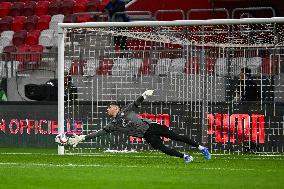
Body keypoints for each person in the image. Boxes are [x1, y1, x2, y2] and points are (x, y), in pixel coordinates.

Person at [59, 90, 211, 163]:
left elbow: (137, 102)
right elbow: (99, 133)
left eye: (109, 108)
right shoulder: (113, 124)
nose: (107, 110)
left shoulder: (126, 109)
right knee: (162, 148)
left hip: (152, 127)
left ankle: (201, 148)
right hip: (147, 135)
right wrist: (83, 137)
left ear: (115, 107)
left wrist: (144, 95)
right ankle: (185, 157)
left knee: (176, 137)